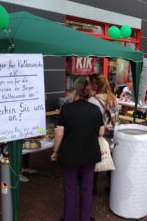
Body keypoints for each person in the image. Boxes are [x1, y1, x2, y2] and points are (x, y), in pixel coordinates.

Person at [51, 77, 104, 221]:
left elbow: (59, 134)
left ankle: (69, 218)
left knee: (70, 188)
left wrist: (56, 152)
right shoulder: (95, 110)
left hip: (70, 155)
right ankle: (85, 218)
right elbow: (101, 132)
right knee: (87, 189)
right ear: (88, 92)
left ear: (76, 90)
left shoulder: (66, 109)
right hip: (89, 154)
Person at [88, 74, 119, 194]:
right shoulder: (113, 98)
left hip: (98, 137)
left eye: (91, 83)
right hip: (111, 136)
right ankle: (112, 189)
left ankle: (92, 188)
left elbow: (91, 121)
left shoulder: (93, 100)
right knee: (109, 160)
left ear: (95, 85)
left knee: (94, 163)